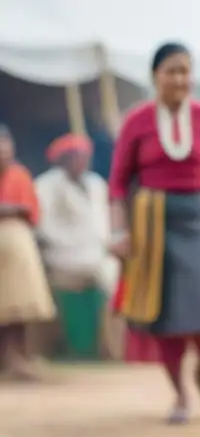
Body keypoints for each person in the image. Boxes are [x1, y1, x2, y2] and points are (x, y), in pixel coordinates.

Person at [108, 42, 200, 425]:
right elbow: (118, 184)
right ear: (155, 76)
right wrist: (119, 232)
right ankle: (180, 394)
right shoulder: (136, 122)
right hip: (154, 231)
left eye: (185, 71)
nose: (179, 79)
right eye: (171, 71)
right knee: (167, 318)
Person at [35, 134, 118, 360]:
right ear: (62, 159)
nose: (81, 161)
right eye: (75, 157)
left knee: (117, 282)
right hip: (62, 254)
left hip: (96, 251)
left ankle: (112, 349)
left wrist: (107, 244)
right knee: (104, 274)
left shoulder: (96, 183)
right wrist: (72, 244)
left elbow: (102, 223)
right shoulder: (46, 185)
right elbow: (43, 226)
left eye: (84, 156)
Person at [0, 125, 54, 380]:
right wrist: (12, 209)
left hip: (18, 247)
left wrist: (11, 210)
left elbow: (31, 211)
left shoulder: (20, 175)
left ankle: (18, 357)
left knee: (19, 307)